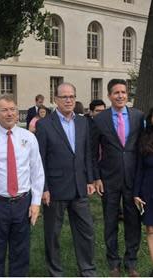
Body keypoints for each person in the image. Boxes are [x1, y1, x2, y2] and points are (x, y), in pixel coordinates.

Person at [0, 94, 45, 276]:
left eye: (12, 109)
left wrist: (35, 202)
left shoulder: (29, 138)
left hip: (22, 203)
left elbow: (37, 172)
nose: (9, 114)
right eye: (4, 110)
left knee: (21, 252)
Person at [36, 82, 96, 277]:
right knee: (53, 234)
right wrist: (43, 188)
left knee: (86, 231)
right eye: (64, 97)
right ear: (56, 99)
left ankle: (87, 269)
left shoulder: (82, 122)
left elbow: (87, 153)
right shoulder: (44, 125)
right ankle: (55, 272)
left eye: (72, 96)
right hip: (55, 189)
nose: (69, 100)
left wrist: (90, 180)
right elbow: (40, 159)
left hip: (79, 187)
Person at [92, 79, 144, 277]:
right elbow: (92, 152)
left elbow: (143, 146)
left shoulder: (138, 116)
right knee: (110, 221)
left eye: (123, 92)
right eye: (116, 93)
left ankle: (131, 262)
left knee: (133, 221)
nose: (121, 95)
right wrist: (96, 178)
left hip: (133, 179)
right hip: (109, 180)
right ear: (109, 96)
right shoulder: (99, 120)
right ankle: (113, 262)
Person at [134, 108, 153, 276]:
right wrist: (136, 193)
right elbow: (139, 168)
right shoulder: (145, 139)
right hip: (148, 190)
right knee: (151, 230)